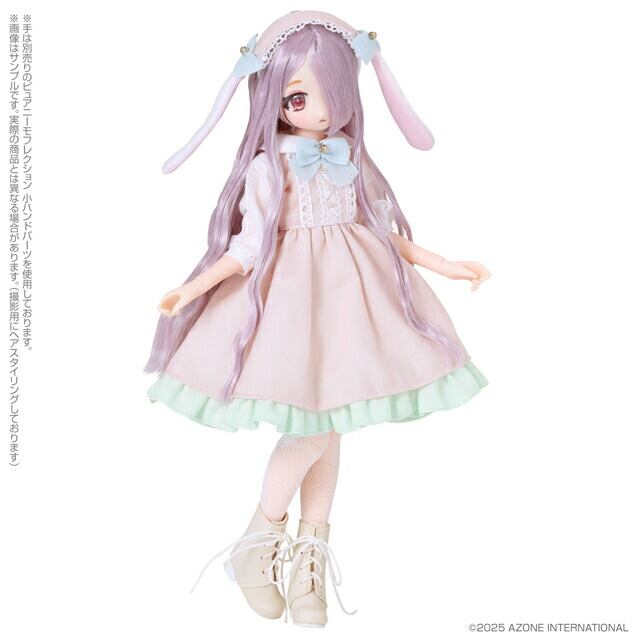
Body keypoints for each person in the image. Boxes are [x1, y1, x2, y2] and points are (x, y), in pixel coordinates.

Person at [145, 11, 491, 628]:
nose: (319, 110)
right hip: (290, 309)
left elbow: (380, 229)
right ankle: (260, 541)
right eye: (299, 97)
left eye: (332, 92)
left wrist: (442, 263)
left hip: (353, 302)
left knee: (329, 430)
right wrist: (192, 288)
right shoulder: (267, 167)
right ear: (274, 99)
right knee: (312, 429)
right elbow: (249, 244)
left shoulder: (350, 157)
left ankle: (309, 560)